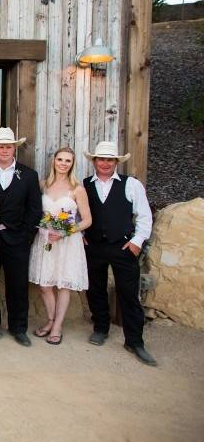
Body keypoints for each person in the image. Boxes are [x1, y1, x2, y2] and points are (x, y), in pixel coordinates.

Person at [82, 141, 156, 366]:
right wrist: (81, 234)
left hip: (123, 247)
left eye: (110, 160)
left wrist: (136, 242)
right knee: (95, 289)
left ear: (116, 162)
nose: (105, 163)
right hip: (93, 245)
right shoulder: (85, 184)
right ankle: (101, 327)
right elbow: (76, 211)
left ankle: (134, 341)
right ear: (94, 161)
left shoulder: (130, 184)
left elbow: (144, 215)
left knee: (129, 293)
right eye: (101, 159)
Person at [0, 127, 41, 347]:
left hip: (18, 238)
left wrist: (26, 234)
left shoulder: (29, 175)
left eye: (8, 146)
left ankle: (18, 328)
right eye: (0, 146)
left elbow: (35, 208)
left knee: (18, 285)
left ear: (14, 148)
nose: (4, 150)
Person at [29, 147, 92, 345]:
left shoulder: (77, 189)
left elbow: (87, 220)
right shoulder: (43, 185)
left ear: (72, 164)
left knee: (63, 283)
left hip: (67, 242)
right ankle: (50, 319)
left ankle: (57, 326)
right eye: (60, 160)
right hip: (46, 239)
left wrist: (66, 231)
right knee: (45, 284)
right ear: (54, 161)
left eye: (68, 161)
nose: (63, 164)